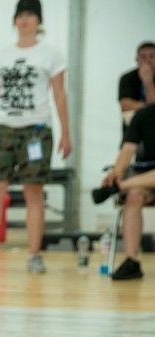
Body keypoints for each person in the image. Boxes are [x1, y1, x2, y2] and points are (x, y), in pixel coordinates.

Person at [0, 0, 71, 274]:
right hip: (2, 128)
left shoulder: (51, 54)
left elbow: (59, 95)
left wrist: (66, 133)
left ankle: (34, 255)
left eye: (30, 15)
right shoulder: (2, 55)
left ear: (39, 21)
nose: (24, 19)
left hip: (36, 130)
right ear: (14, 20)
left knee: (33, 192)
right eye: (20, 15)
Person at [91, 104, 155, 280]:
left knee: (129, 186)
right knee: (134, 196)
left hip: (141, 178)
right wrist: (117, 174)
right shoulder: (143, 115)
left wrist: (122, 184)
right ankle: (131, 261)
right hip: (145, 176)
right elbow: (127, 149)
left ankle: (121, 187)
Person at [118, 41, 155, 135]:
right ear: (137, 59)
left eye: (152, 56)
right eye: (143, 57)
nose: (148, 61)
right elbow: (125, 105)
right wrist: (150, 107)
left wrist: (148, 82)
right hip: (133, 128)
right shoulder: (127, 78)